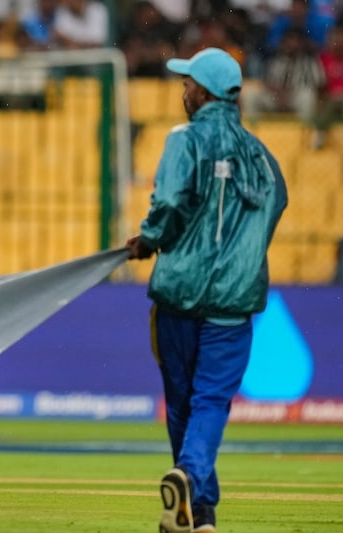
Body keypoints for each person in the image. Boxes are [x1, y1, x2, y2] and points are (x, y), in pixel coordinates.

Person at [125, 47, 288, 533]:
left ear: (206, 92)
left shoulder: (185, 140)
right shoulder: (261, 155)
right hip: (234, 303)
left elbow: (170, 201)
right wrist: (241, 256)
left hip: (178, 294)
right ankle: (200, 508)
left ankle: (192, 486)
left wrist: (150, 239)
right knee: (211, 402)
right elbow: (276, 203)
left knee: (181, 402)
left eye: (187, 83)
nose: (183, 91)